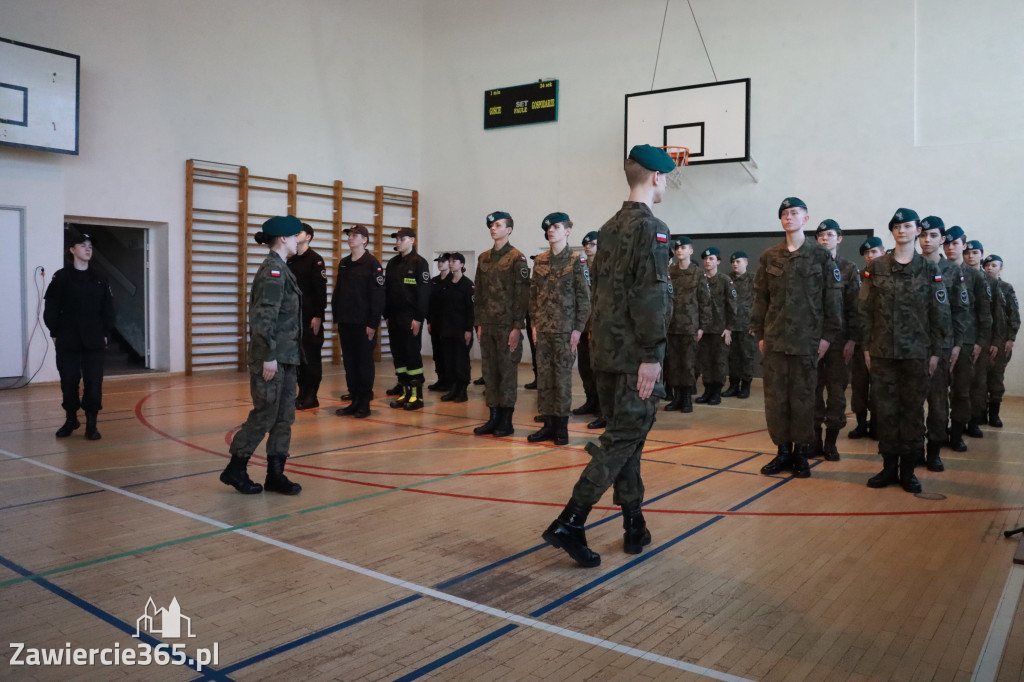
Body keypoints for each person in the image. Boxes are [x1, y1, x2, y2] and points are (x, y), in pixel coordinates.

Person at [541, 144, 673, 568]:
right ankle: (571, 521)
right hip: (636, 357)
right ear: (656, 178)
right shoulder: (652, 228)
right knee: (621, 440)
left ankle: (634, 524)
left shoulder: (608, 228)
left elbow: (603, 295)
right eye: (667, 177)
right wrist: (652, 354)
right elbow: (650, 296)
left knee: (629, 440)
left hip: (607, 355)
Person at [859, 209, 950, 493]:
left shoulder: (929, 269)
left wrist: (935, 353)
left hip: (917, 355)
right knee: (885, 412)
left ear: (916, 231)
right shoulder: (876, 267)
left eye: (907, 226)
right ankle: (888, 468)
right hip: (883, 354)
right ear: (892, 231)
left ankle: (909, 470)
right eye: (896, 226)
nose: (902, 230)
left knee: (911, 413)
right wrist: (866, 347)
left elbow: (940, 313)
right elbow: (865, 310)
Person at [752, 197, 842, 479]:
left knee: (804, 399)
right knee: (776, 400)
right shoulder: (770, 256)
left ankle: (801, 453)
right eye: (785, 214)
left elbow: (832, 299)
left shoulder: (821, 256)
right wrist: (760, 334)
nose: (789, 217)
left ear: (805, 218)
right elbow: (761, 298)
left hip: (807, 342)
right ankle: (782, 452)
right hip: (776, 342)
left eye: (795, 213)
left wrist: (827, 337)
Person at [221, 215, 305, 495]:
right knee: (265, 414)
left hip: (287, 357)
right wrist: (269, 356)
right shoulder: (273, 270)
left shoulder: (282, 267)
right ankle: (236, 468)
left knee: (284, 418)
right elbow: (263, 318)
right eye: (295, 236)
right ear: (283, 238)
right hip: (272, 357)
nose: (298, 240)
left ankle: (275, 475)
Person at [44, 232, 116, 440]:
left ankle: (91, 425)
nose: (88, 249)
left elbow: (108, 309)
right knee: (69, 381)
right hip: (68, 338)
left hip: (94, 339)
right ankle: (71, 419)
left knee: (94, 382)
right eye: (83, 245)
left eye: (90, 246)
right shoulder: (61, 277)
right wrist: (54, 331)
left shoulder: (100, 278)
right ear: (72, 250)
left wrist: (105, 332)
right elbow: (51, 308)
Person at [527, 212, 591, 445]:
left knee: (562, 379)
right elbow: (533, 296)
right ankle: (548, 425)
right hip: (543, 330)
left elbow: (584, 298)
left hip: (565, 331)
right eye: (548, 228)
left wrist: (578, 329)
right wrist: (534, 324)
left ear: (568, 230)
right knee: (544, 378)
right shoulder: (540, 261)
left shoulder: (576, 261)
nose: (550, 231)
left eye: (555, 227)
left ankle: (562, 427)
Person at [473, 211, 530, 437]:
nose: (493, 228)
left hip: (507, 326)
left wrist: (517, 326)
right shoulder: (483, 258)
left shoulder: (517, 258)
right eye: (491, 226)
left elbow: (522, 295)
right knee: (490, 372)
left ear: (509, 229)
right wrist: (478, 322)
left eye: (498, 225)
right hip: (487, 325)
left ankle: (506, 421)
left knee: (506, 374)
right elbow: (479, 293)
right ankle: (493, 417)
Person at [918, 216, 967, 471]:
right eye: (923, 235)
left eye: (933, 235)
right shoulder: (908, 265)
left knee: (938, 402)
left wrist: (957, 344)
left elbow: (960, 310)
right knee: (911, 402)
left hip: (943, 345)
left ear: (942, 238)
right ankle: (913, 449)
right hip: (910, 346)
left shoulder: (952, 270)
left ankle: (934, 450)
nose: (927, 240)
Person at [811, 220, 862, 460]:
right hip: (811, 338)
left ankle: (831, 441)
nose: (824, 238)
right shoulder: (809, 266)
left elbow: (855, 307)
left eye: (830, 234)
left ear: (839, 238)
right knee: (811, 389)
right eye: (821, 235)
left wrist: (853, 339)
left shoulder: (849, 268)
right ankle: (813, 439)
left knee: (836, 392)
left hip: (839, 341)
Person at [942, 226, 992, 450]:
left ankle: (957, 433)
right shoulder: (935, 269)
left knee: (962, 390)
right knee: (938, 392)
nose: (950, 248)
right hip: (940, 341)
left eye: (955, 244)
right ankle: (939, 432)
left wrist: (981, 342)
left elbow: (984, 312)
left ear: (963, 245)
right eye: (947, 244)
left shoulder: (975, 276)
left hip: (967, 342)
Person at [333, 224, 385, 418]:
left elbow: (378, 297)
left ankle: (364, 403)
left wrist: (372, 324)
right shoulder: (345, 263)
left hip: (364, 324)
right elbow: (339, 292)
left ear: (364, 240)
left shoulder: (372, 264)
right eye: (349, 235)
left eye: (355, 235)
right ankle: (354, 399)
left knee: (364, 363)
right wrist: (337, 317)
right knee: (350, 363)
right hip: (346, 321)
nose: (350, 238)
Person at [383, 227, 431, 411]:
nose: (398, 242)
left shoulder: (419, 263)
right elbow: (386, 290)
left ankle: (416, 396)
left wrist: (419, 318)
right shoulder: (393, 263)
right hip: (394, 318)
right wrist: (386, 315)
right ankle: (404, 393)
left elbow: (424, 293)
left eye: (401, 239)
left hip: (411, 318)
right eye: (396, 239)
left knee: (412, 356)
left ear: (411, 240)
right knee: (399, 357)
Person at [664, 237, 710, 413]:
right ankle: (676, 397)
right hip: (672, 326)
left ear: (690, 251)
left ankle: (686, 399)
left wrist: (702, 326)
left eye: (683, 248)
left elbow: (705, 301)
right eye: (677, 248)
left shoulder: (698, 273)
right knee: (673, 364)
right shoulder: (670, 272)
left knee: (688, 364)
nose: (679, 251)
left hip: (690, 326)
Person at [288, 223, 328, 410]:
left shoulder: (316, 260)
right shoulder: (292, 260)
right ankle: (302, 392)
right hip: (294, 318)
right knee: (299, 358)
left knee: (311, 357)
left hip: (310, 317)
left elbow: (321, 292)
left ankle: (312, 395)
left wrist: (318, 316)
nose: (296, 235)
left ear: (309, 237)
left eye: (299, 232)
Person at [849, 236, 885, 439]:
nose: (870, 256)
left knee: (880, 387)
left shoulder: (891, 275)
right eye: (867, 253)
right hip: (860, 340)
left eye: (874, 252)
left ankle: (878, 425)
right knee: (859, 385)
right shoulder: (859, 277)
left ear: (883, 252)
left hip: (882, 342)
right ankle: (861, 424)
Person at [965, 239, 1000, 432]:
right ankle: (961, 420)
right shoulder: (959, 275)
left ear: (981, 255)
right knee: (961, 384)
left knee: (978, 382)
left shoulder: (991, 282)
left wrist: (995, 341)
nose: (971, 256)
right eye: (968, 253)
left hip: (982, 339)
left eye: (975, 253)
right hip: (963, 337)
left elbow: (996, 315)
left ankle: (975, 419)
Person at [695, 247, 736, 405]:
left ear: (718, 261)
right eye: (705, 259)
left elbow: (732, 305)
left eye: (711, 259)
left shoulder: (725, 280)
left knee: (718, 362)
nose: (707, 261)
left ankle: (716, 392)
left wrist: (729, 328)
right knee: (705, 361)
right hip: (704, 329)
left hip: (720, 329)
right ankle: (707, 390)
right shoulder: (700, 280)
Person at [982, 255, 1019, 428]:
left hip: (1002, 341)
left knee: (996, 379)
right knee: (980, 380)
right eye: (987, 265)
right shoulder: (980, 285)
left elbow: (1014, 315)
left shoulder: (1006, 288)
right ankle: (980, 414)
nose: (990, 268)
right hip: (983, 341)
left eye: (994, 265)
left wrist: (1011, 338)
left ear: (1001, 267)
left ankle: (994, 414)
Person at [572, 231, 603, 426]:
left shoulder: (605, 268)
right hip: (582, 325)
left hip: (598, 327)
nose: (588, 247)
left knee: (598, 368)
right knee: (584, 366)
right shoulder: (581, 267)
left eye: (592, 244)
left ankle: (602, 406)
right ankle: (590, 400)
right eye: (585, 244)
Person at [437, 253, 475, 403]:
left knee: (461, 362)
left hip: (461, 330)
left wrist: (468, 330)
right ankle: (453, 389)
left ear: (462, 265)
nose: (451, 264)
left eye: (454, 261)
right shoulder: (446, 284)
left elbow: (471, 309)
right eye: (450, 261)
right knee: (449, 361)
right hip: (447, 329)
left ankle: (462, 390)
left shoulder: (467, 285)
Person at [722, 251, 755, 399]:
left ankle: (745, 386)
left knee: (746, 357)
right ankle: (733, 385)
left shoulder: (754, 279)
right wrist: (727, 326)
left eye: (738, 261)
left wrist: (755, 324)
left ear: (746, 262)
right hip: (732, 325)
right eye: (733, 262)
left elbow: (759, 303)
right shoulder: (727, 279)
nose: (735, 264)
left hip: (747, 326)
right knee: (732, 358)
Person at [427, 253, 452, 393]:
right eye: (438, 261)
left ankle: (449, 381)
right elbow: (429, 303)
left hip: (448, 324)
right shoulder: (434, 281)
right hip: (436, 323)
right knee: (437, 353)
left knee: (447, 353)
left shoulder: (453, 280)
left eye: (443, 261)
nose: (440, 263)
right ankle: (440, 379)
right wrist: (429, 321)